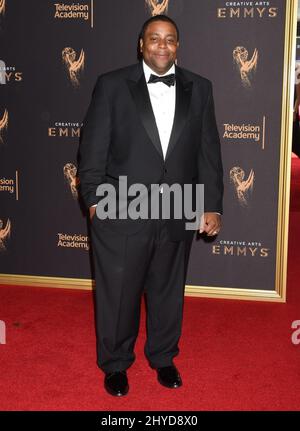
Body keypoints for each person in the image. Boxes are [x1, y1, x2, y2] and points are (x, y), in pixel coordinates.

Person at [78, 14, 223, 397]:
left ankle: (163, 357)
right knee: (119, 293)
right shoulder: (111, 85)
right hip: (120, 207)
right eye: (154, 39)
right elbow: (92, 149)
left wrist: (212, 205)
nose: (162, 46)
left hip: (178, 207)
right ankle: (115, 364)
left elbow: (209, 152)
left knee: (167, 290)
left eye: (170, 39)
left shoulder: (201, 88)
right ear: (141, 44)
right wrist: (94, 200)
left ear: (178, 46)